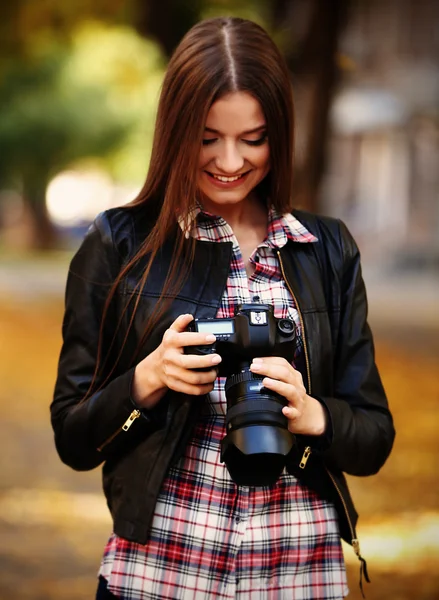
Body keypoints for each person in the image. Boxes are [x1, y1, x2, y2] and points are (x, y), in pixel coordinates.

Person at [51, 16, 395, 600]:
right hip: (159, 578)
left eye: (252, 138)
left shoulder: (326, 250)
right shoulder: (121, 246)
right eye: (207, 137)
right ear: (174, 129)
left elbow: (374, 436)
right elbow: (73, 438)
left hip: (299, 578)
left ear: (278, 134)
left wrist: (313, 415)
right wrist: (147, 381)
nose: (229, 161)